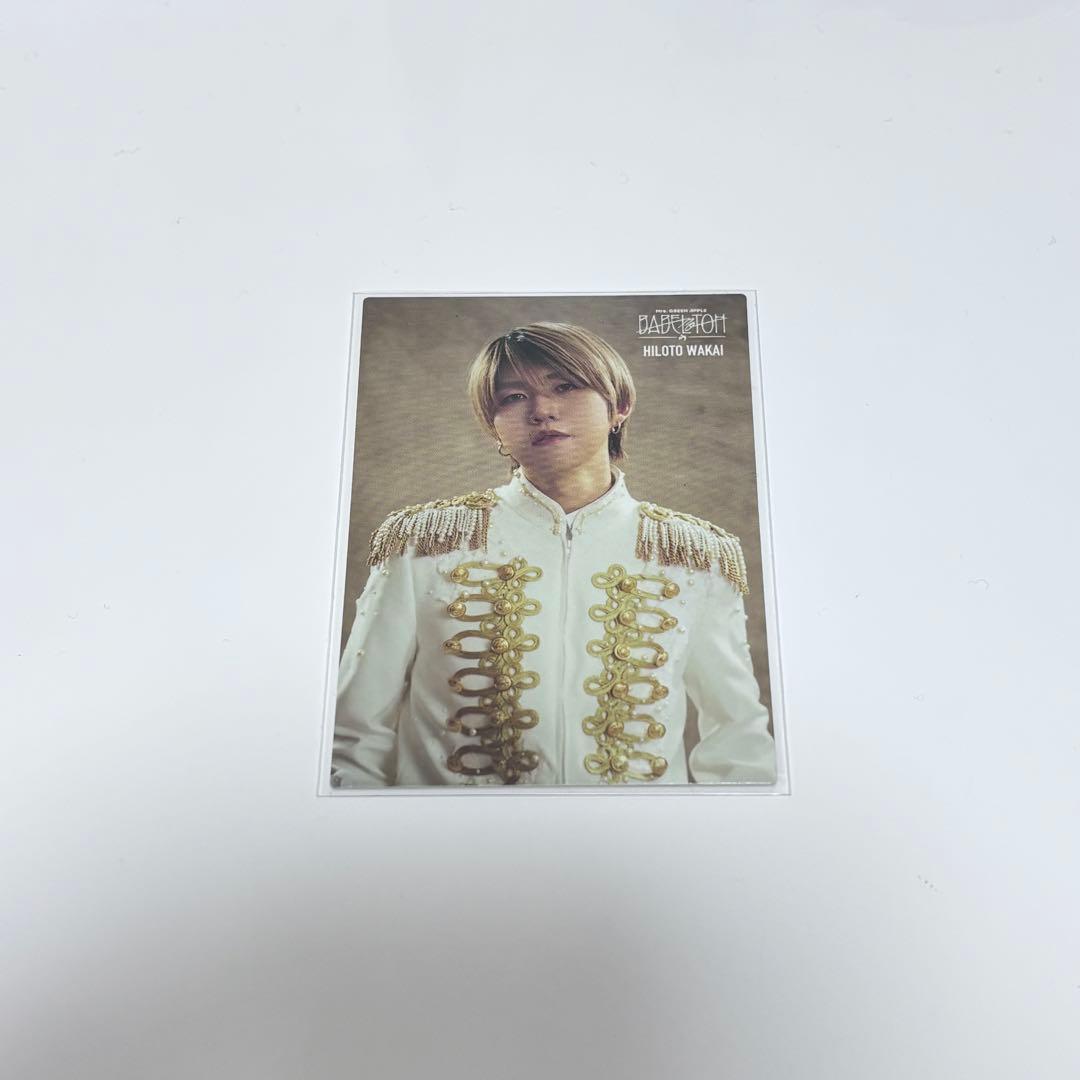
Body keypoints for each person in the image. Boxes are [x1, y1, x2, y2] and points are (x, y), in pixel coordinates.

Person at [331, 321, 776, 787]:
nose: (541, 410)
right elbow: (355, 736)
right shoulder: (423, 542)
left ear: (619, 406)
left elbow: (738, 742)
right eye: (513, 397)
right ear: (494, 427)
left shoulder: (694, 554)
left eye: (565, 387)